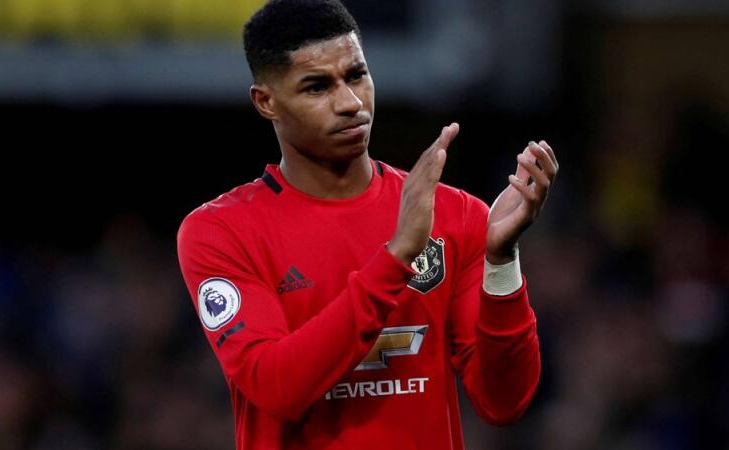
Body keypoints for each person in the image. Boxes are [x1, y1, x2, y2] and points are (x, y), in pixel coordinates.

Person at [176, 0, 559, 448]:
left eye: (356, 75)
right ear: (267, 102)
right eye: (317, 87)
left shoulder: (455, 216)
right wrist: (397, 258)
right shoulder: (221, 232)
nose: (350, 103)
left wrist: (502, 262)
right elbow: (276, 387)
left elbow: (504, 402)